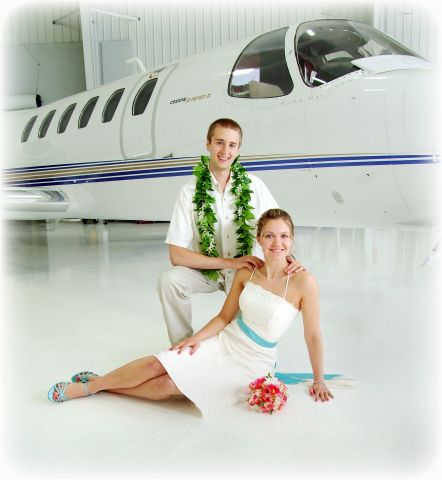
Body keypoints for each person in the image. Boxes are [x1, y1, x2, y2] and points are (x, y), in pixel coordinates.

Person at [48, 209, 335, 415]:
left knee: (169, 386)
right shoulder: (249, 273)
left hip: (254, 361)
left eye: (284, 236)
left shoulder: (303, 282)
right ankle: (86, 388)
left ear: (292, 240)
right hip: (226, 341)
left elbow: (313, 334)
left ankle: (101, 385)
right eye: (270, 236)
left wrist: (318, 379)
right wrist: (194, 339)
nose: (277, 243)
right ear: (259, 239)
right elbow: (224, 317)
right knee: (156, 365)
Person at [157, 118, 303, 344]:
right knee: (169, 281)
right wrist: (229, 263)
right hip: (207, 271)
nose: (225, 151)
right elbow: (176, 255)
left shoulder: (253, 186)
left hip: (245, 272)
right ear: (208, 144)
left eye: (232, 145)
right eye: (219, 143)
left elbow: (278, 228)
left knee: (240, 334)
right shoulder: (189, 192)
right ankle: (181, 348)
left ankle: (238, 354)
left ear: (238, 149)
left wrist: (291, 260)